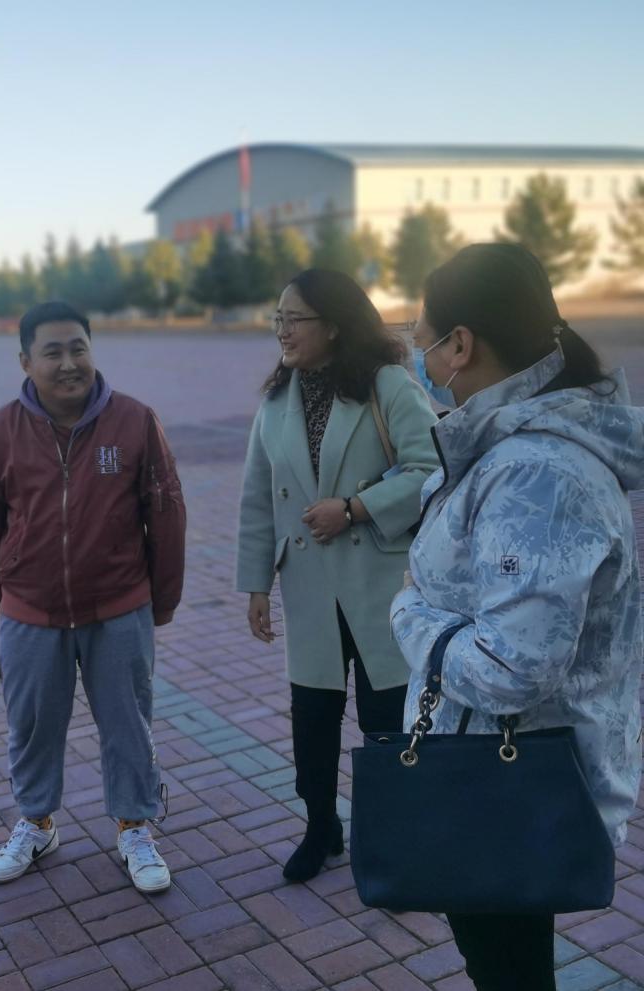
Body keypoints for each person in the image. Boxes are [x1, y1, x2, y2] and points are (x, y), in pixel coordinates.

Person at [391, 242, 643, 991]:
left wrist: (410, 613)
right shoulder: (507, 444)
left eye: (421, 340)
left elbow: (512, 669)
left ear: (460, 344)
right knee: (508, 964)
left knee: (508, 970)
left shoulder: (536, 472)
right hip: (502, 772)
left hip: (507, 786)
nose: (419, 359)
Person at [0, 300, 186, 893]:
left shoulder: (134, 422)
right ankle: (36, 823)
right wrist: (5, 603)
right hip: (30, 612)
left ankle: (135, 827)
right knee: (32, 724)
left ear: (92, 350)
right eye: (52, 352)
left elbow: (166, 513)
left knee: (128, 722)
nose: (68, 364)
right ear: (25, 361)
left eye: (78, 349)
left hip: (119, 606)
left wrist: (161, 601)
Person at [236, 269, 438, 882]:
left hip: (379, 586)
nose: (282, 330)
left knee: (386, 723)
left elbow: (431, 467)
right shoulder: (276, 401)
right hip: (307, 587)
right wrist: (256, 586)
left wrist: (354, 508)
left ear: (334, 324)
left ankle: (394, 839)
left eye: (293, 318)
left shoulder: (387, 385)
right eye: (278, 319)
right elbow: (257, 498)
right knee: (313, 720)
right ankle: (321, 826)